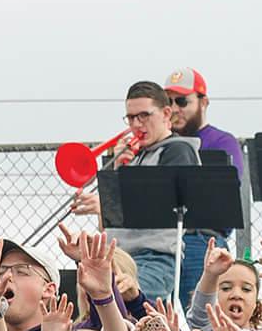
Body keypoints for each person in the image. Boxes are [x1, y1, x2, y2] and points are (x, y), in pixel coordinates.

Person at [77, 81, 198, 304]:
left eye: (144, 115)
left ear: (166, 113)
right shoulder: (133, 157)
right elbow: (112, 226)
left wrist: (109, 202)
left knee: (125, 310)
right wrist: (118, 172)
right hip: (119, 256)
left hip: (154, 258)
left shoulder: (177, 150)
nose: (136, 124)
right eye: (131, 117)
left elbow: (161, 207)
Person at [162, 68, 244, 306]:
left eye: (182, 101)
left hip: (201, 239)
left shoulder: (222, 142)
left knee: (203, 316)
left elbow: (225, 192)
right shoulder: (160, 143)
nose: (174, 108)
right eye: (168, 102)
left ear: (204, 102)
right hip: (162, 241)